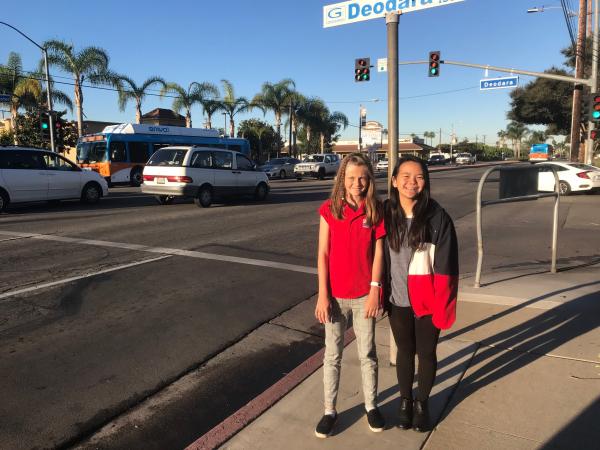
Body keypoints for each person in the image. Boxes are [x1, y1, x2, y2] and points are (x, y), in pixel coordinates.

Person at [383, 155, 459, 432]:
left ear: (425, 182)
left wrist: (444, 304)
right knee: (405, 351)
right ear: (394, 181)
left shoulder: (438, 218)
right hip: (398, 299)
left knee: (426, 353)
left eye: (418, 177)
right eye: (405, 176)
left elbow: (448, 267)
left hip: (428, 299)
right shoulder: (385, 214)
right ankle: (405, 401)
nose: (411, 182)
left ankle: (422, 403)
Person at [314, 153, 386, 438]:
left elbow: (379, 253)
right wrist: (323, 294)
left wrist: (374, 290)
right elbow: (323, 253)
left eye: (363, 178)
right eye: (352, 178)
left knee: (367, 354)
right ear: (342, 180)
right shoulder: (330, 210)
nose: (357, 184)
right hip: (335, 298)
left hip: (363, 296)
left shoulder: (374, 210)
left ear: (369, 181)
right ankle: (330, 410)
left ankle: (372, 406)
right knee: (332, 355)